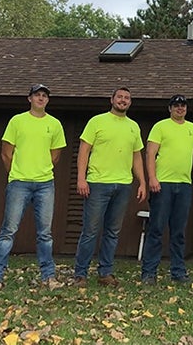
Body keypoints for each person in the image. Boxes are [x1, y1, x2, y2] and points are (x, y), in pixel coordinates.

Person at [0, 84, 67, 292]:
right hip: (19, 183)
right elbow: (6, 153)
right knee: (8, 230)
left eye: (44, 96)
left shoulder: (55, 124)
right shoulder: (17, 121)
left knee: (45, 233)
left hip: (45, 184)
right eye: (37, 95)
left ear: (47, 100)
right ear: (29, 98)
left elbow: (55, 155)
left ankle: (49, 277)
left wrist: (41, 169)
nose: (41, 99)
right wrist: (16, 174)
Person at [72, 87, 146, 287]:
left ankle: (105, 272)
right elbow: (84, 151)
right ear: (111, 99)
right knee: (90, 231)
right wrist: (81, 178)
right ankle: (80, 274)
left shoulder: (133, 127)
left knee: (112, 232)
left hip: (123, 185)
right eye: (120, 97)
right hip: (97, 183)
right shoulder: (97, 122)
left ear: (130, 103)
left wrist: (142, 182)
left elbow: (136, 156)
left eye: (127, 98)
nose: (123, 100)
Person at [140, 94, 193, 285]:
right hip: (163, 184)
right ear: (170, 108)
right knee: (156, 228)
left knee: (178, 231)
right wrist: (152, 178)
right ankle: (149, 273)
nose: (180, 108)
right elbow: (150, 153)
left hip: (184, 185)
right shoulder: (160, 126)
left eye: (183, 105)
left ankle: (178, 272)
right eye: (176, 105)